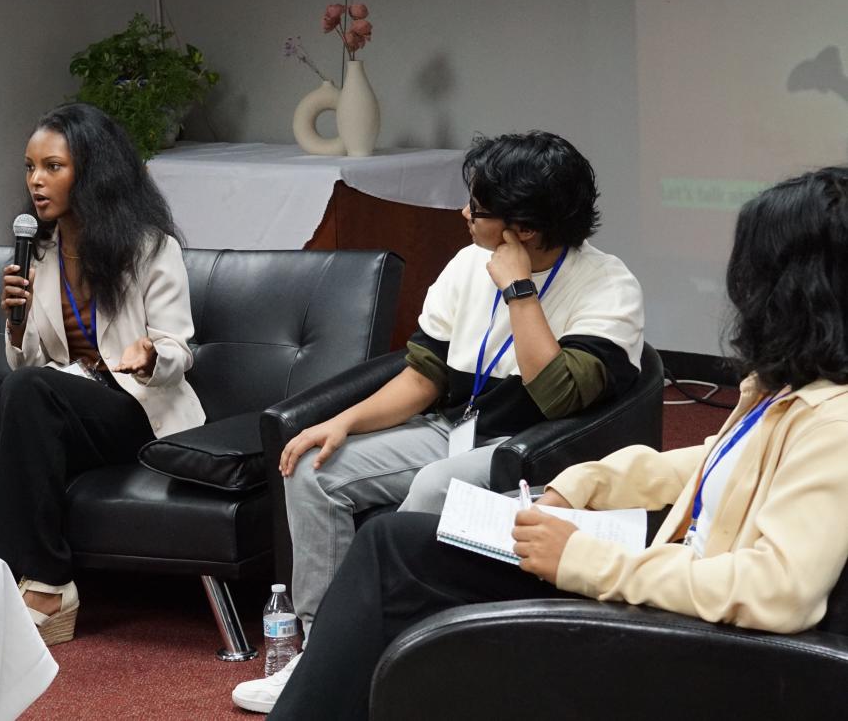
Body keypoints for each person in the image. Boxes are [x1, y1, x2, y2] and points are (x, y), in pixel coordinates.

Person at [268, 165, 848, 719]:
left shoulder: (834, 424)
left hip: (698, 638)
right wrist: (583, 483)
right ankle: (333, 676)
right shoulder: (790, 391)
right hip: (663, 583)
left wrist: (584, 560)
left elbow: (779, 594)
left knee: (400, 567)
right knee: (390, 542)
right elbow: (718, 461)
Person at [234, 131, 644, 712]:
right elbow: (423, 377)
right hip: (453, 429)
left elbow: (557, 398)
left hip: (531, 447)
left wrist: (520, 291)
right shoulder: (466, 264)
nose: (463, 212)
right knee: (312, 468)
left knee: (436, 482)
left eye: (476, 205)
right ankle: (325, 644)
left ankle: (393, 647)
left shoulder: (609, 286)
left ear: (523, 228)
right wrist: (343, 422)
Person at [0, 102, 205, 646]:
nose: (36, 180)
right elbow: (27, 366)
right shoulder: (38, 251)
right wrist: (15, 325)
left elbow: (181, 350)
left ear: (93, 171)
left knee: (32, 391)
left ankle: (48, 582)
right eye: (30, 167)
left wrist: (151, 356)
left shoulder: (152, 248)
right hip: (59, 401)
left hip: (134, 408)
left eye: (52, 167)